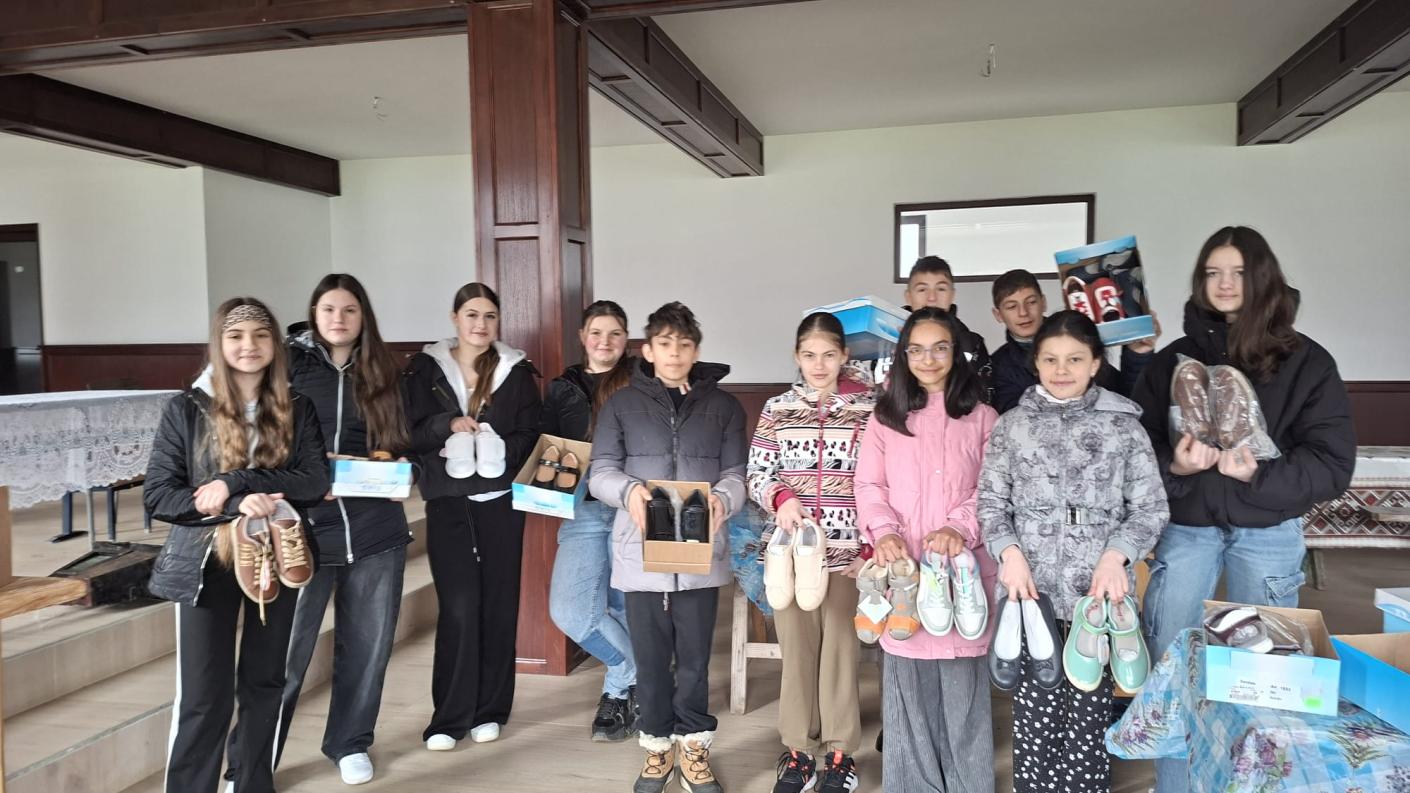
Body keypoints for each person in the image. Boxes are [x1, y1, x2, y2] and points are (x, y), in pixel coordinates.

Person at [1130, 227, 1356, 793]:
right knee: (1177, 667)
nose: (1225, 283)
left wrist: (1258, 473)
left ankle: (1253, 783)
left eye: (1237, 272)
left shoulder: (1307, 362)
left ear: (1262, 279)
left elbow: (1332, 465)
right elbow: (1137, 449)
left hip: (1268, 530)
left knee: (1265, 677)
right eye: (1213, 272)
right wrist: (1176, 465)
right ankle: (1177, 786)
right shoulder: (1172, 363)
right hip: (1189, 527)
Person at [224, 274, 412, 787]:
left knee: (368, 649)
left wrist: (402, 470)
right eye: (328, 309)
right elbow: (257, 441)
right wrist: (305, 477)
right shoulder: (285, 365)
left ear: (363, 316)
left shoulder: (386, 371)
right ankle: (249, 763)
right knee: (282, 656)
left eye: (349, 310)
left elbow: (406, 441)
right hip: (298, 531)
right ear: (313, 314)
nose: (338, 319)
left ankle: (349, 742)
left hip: (375, 530)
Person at [978, 310, 1169, 793]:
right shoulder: (1012, 427)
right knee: (1035, 714)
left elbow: (1150, 507)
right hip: (1029, 592)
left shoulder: (1123, 427)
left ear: (1096, 363)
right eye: (1051, 359)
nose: (1062, 370)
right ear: (1036, 363)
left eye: (1075, 359)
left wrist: (1117, 555)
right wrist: (1009, 554)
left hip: (1097, 598)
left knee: (1088, 714)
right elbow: (991, 504)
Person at [145, 297, 329, 793]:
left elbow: (314, 480)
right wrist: (232, 504)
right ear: (219, 344)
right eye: (236, 336)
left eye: (261, 335)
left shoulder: (298, 406)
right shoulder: (186, 408)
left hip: (277, 554)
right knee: (204, 695)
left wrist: (237, 481)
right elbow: (160, 494)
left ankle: (252, 784)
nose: (249, 345)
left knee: (265, 682)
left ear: (275, 345)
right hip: (205, 561)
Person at [589, 301, 747, 793]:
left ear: (696, 350)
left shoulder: (724, 407)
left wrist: (723, 498)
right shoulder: (620, 405)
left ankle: (694, 746)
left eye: (684, 344)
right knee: (651, 660)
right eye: (664, 344)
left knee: (696, 660)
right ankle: (657, 748)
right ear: (648, 351)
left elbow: (737, 474)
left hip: (700, 554)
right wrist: (629, 492)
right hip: (640, 554)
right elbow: (600, 472)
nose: (674, 353)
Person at [854, 306, 998, 793]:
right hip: (905, 574)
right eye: (916, 350)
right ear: (903, 356)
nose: (928, 359)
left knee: (963, 697)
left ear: (957, 353)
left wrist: (959, 526)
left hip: (962, 579)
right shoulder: (885, 419)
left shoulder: (983, 418)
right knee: (908, 700)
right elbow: (869, 485)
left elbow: (994, 489)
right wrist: (883, 532)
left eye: (939, 348)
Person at [404, 282, 542, 752]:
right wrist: (446, 424)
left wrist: (499, 446)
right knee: (459, 606)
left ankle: (490, 711)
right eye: (471, 315)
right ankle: (448, 718)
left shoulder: (515, 372)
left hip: (500, 500)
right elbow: (409, 430)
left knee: (499, 604)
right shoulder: (424, 370)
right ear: (455, 318)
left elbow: (531, 433)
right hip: (448, 500)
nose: (480, 324)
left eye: (489, 316)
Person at [748, 312, 876, 793]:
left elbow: (879, 480)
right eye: (808, 355)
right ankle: (799, 752)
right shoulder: (777, 408)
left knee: (841, 652)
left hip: (847, 553)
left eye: (828, 355)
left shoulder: (869, 410)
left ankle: (840, 756)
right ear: (796, 357)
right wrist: (781, 498)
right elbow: (756, 473)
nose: (818, 365)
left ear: (844, 356)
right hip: (790, 557)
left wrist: (869, 544)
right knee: (797, 653)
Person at [541, 299, 640, 742]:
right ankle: (638, 673)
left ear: (626, 339)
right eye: (596, 333)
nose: (605, 341)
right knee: (571, 611)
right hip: (581, 507)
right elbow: (545, 449)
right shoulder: (563, 388)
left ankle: (618, 694)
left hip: (631, 506)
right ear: (582, 337)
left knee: (624, 608)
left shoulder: (642, 380)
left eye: (615, 333)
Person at [988, 269, 1156, 413]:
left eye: (1031, 302)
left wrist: (1137, 355)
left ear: (1043, 302)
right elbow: (1017, 423)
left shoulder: (1081, 342)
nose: (1023, 313)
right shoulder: (998, 366)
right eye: (1011, 306)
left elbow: (1127, 399)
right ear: (998, 315)